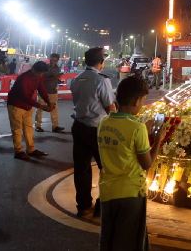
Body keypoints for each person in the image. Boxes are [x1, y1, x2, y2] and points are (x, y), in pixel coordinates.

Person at [98, 75, 160, 251]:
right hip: (130, 193)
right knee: (130, 241)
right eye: (142, 101)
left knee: (109, 239)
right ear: (136, 100)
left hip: (108, 190)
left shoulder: (104, 122)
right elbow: (147, 163)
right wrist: (158, 142)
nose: (142, 105)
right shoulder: (137, 127)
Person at [70, 47, 117, 218]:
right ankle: (102, 206)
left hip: (79, 126)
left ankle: (83, 206)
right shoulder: (101, 80)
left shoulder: (76, 80)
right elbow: (110, 107)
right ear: (101, 63)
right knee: (107, 168)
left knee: (81, 169)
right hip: (98, 129)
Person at [6, 61, 54, 159]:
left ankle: (31, 149)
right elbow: (24, 97)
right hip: (16, 105)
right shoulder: (24, 78)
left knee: (28, 128)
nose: (41, 75)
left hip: (27, 105)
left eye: (42, 73)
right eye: (40, 73)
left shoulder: (38, 76)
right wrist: (41, 106)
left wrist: (48, 102)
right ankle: (18, 151)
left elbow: (41, 89)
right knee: (17, 129)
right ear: (34, 69)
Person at [35, 53, 64, 133]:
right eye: (52, 60)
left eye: (55, 60)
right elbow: (42, 78)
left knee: (54, 109)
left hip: (53, 91)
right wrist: (56, 77)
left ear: (57, 60)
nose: (53, 61)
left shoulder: (57, 68)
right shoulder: (44, 67)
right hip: (43, 91)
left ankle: (55, 126)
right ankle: (38, 126)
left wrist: (58, 80)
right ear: (49, 59)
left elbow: (54, 79)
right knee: (40, 108)